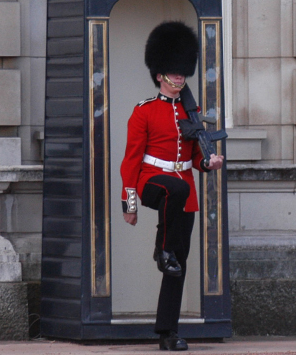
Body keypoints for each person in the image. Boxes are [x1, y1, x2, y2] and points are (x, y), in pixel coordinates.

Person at [120, 21, 225, 352]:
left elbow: (195, 158)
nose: (179, 77)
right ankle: (160, 248)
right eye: (173, 72)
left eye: (182, 73)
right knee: (174, 191)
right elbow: (130, 160)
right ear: (159, 75)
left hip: (184, 190)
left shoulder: (190, 114)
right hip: (152, 182)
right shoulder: (144, 112)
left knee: (177, 263)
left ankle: (168, 332)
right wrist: (130, 203)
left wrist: (209, 163)